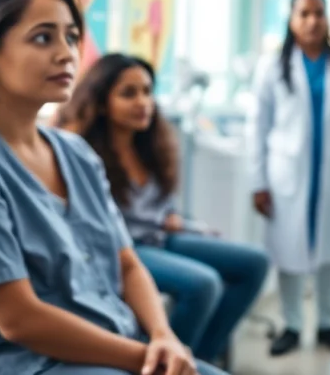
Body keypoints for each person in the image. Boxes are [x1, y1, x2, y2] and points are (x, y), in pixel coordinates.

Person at [0, 0, 226, 375]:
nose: (66, 54)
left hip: (108, 349)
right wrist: (144, 359)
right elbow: (19, 320)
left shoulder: (75, 152)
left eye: (71, 37)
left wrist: (163, 336)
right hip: (23, 365)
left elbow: (127, 265)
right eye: (42, 38)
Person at [56, 53, 270, 367]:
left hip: (159, 235)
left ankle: (202, 356)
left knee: (254, 261)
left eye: (147, 91)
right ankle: (165, 364)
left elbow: (161, 208)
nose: (143, 102)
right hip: (125, 248)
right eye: (129, 94)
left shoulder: (152, 144)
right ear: (101, 102)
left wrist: (184, 224)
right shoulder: (82, 152)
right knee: (202, 284)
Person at [247, 0, 330, 357]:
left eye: (318, 13)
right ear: (291, 20)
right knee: (289, 253)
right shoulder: (272, 67)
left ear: (326, 18)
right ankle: (291, 324)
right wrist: (258, 181)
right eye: (304, 14)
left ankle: (327, 324)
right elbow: (258, 127)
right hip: (286, 176)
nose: (312, 21)